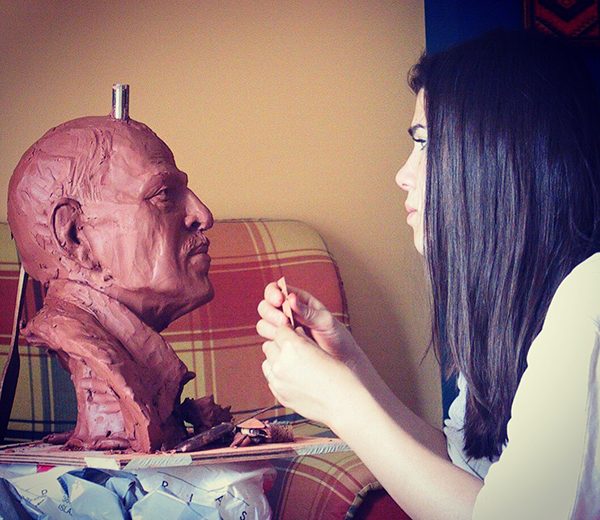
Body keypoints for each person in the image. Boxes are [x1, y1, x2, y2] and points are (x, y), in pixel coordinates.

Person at [257, 30, 600, 519]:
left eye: (424, 144)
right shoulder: (516, 310)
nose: (403, 173)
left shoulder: (589, 303)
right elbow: (462, 475)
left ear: (492, 160)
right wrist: (352, 367)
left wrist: (339, 401)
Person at [7, 116, 214, 451]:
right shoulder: (85, 343)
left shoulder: (144, 354)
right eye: (164, 195)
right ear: (75, 236)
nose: (203, 215)